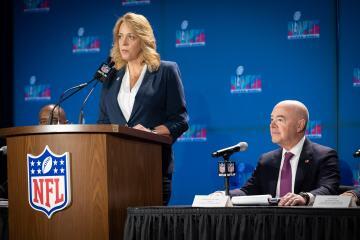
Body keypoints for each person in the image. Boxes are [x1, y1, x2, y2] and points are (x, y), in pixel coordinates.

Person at [97, 12, 189, 205]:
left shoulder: (165, 71)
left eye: (131, 37)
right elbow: (104, 123)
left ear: (143, 39)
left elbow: (180, 121)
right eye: (120, 37)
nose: (123, 43)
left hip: (152, 168)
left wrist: (150, 133)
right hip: (116, 173)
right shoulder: (110, 77)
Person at [229, 100, 340, 206]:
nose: (272, 125)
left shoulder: (324, 156)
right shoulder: (266, 160)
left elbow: (329, 188)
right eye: (271, 119)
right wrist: (224, 195)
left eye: (280, 120)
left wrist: (305, 198)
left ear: (299, 125)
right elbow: (248, 191)